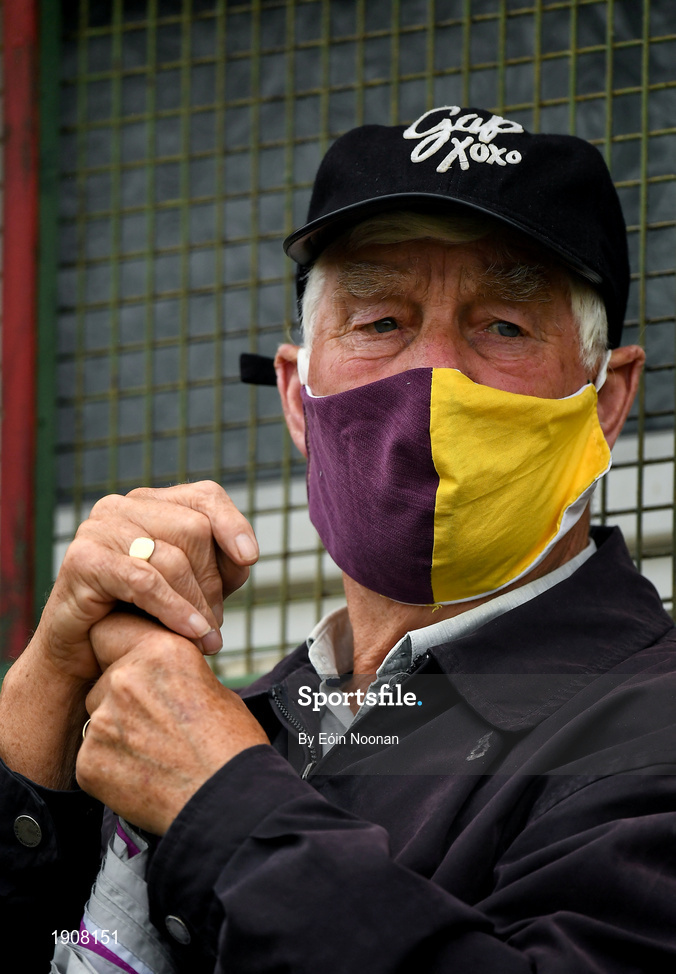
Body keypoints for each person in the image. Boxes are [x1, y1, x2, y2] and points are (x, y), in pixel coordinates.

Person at [2, 104, 676, 973]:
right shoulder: (242, 720)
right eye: (380, 321)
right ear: (296, 395)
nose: (432, 374)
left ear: (606, 400)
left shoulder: (650, 726)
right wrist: (41, 712)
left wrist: (227, 809)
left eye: (504, 326)